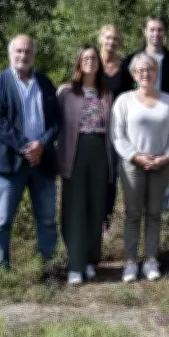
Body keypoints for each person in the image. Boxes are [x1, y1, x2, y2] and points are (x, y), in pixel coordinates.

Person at [0, 35, 60, 269]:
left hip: (42, 161)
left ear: (34, 55)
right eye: (18, 51)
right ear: (10, 54)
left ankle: (47, 268)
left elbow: (56, 122)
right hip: (8, 163)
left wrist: (42, 145)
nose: (23, 56)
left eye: (27, 51)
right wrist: (27, 146)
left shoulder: (45, 83)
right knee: (2, 221)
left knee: (47, 219)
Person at [111, 53, 169, 283]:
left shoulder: (168, 101)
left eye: (150, 69)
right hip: (133, 166)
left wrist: (167, 157)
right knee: (132, 214)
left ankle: (151, 259)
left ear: (156, 73)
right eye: (140, 70)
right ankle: (131, 261)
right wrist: (135, 157)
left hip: (161, 165)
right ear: (133, 74)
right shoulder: (123, 101)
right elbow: (117, 135)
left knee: (154, 214)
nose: (145, 74)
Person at [56, 45, 112, 285]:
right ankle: (75, 264)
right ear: (78, 63)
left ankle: (90, 260)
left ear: (99, 63)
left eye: (94, 58)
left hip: (100, 150)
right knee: (75, 207)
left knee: (96, 206)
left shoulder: (106, 93)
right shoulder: (66, 92)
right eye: (85, 58)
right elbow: (55, 125)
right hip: (74, 152)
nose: (90, 61)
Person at [122, 17, 169, 213]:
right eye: (152, 30)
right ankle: (135, 212)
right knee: (137, 169)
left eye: (160, 30)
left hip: (164, 124)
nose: (156, 34)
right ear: (145, 32)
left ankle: (160, 214)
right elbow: (124, 93)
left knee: (161, 169)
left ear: (164, 33)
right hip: (137, 125)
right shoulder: (131, 60)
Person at [99, 25, 127, 233]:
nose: (111, 42)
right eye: (108, 38)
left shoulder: (124, 66)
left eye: (115, 39)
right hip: (92, 127)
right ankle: (91, 217)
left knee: (111, 174)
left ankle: (106, 221)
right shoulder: (91, 61)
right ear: (101, 39)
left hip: (117, 127)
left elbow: (131, 93)